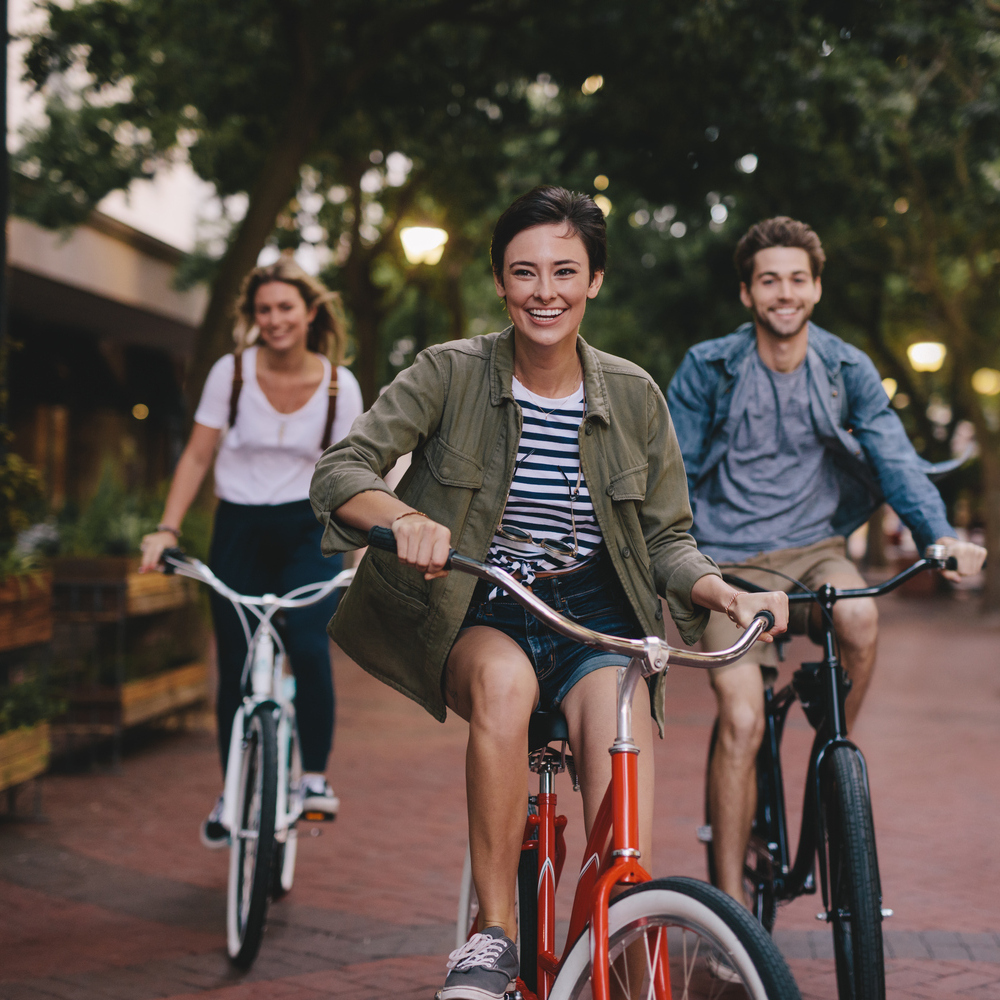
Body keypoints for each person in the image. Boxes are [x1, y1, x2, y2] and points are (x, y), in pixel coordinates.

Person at [309, 187, 789, 1000]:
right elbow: (340, 472)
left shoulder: (635, 395)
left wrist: (721, 590)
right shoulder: (449, 371)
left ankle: (624, 938)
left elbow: (668, 538)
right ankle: (492, 935)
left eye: (566, 271)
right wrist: (403, 519)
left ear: (595, 280)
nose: (545, 291)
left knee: (616, 778)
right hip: (483, 603)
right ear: (500, 281)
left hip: (597, 614)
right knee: (505, 684)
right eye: (524, 272)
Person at [666, 216, 988, 908]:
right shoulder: (707, 368)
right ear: (748, 294)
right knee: (744, 721)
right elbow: (674, 480)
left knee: (864, 618)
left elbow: (896, 461)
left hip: (816, 551)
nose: (785, 293)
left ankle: (827, 757)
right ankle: (729, 917)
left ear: (816, 288)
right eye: (769, 280)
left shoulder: (845, 369)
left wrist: (937, 536)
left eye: (797, 279)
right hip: (727, 565)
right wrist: (683, 568)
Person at [140, 255, 364, 846]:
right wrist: (166, 527)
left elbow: (361, 471)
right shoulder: (230, 373)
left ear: (309, 311)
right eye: (263, 309)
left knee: (309, 645)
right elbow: (196, 456)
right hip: (237, 528)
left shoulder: (340, 383)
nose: (274, 319)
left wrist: (366, 550)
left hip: (308, 529)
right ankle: (232, 789)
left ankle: (313, 778)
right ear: (253, 316)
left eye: (285, 307)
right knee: (236, 665)